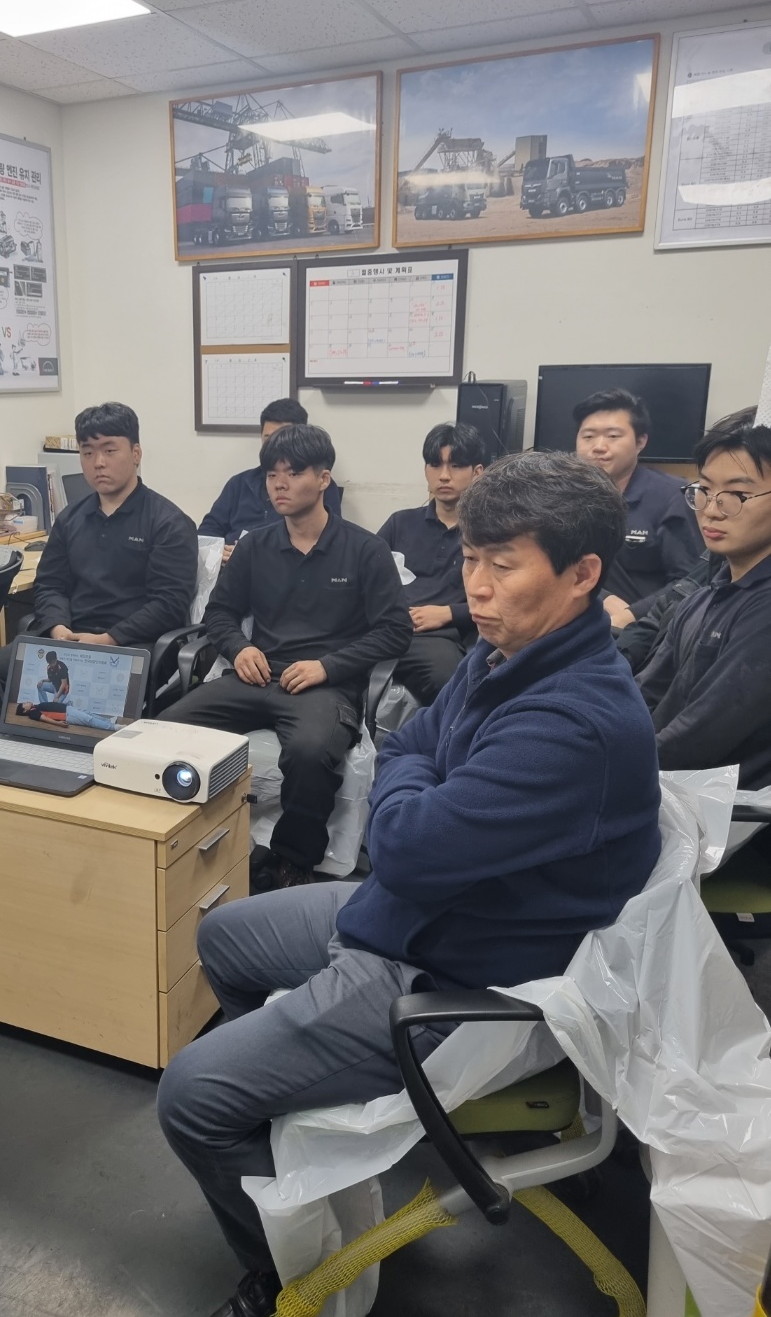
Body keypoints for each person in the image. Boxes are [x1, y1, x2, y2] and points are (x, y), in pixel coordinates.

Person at [157, 451, 662, 1317]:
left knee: (191, 1096)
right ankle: (290, 1124)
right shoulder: (508, 651)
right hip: (421, 910)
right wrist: (415, 784)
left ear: (582, 574)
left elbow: (401, 842)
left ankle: (291, 1278)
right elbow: (412, 741)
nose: (477, 586)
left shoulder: (575, 719)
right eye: (470, 559)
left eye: (503, 565)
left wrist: (412, 791)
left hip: (452, 969)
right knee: (222, 935)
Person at [161, 423, 411, 890]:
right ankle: (184, 842)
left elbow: (395, 632)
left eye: (294, 473)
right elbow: (219, 614)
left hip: (324, 686)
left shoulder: (365, 550)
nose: (279, 484)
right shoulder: (255, 545)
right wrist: (239, 648)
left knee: (310, 754)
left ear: (323, 479)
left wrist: (328, 666)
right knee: (165, 728)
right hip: (256, 675)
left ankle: (294, 862)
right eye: (272, 474)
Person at [0, 402, 197, 680]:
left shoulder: (168, 522)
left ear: (136, 453)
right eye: (88, 453)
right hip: (69, 638)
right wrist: (57, 627)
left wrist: (109, 638)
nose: (98, 462)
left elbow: (169, 604)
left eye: (109, 451)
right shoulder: (70, 518)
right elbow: (50, 584)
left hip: (133, 644)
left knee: (82, 687)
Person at [637, 407, 771, 787]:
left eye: (738, 495)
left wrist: (609, 764)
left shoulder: (764, 609)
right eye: (706, 490)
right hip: (666, 784)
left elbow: (702, 735)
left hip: (731, 810)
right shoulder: (705, 596)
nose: (711, 510)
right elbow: (645, 692)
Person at [573, 387, 702, 627]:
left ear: (640, 441)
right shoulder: (563, 495)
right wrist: (604, 598)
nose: (598, 446)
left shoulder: (670, 497)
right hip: (579, 618)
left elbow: (691, 581)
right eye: (588, 436)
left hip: (649, 628)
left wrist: (632, 615)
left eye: (613, 436)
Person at [377, 420, 485, 704]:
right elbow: (363, 576)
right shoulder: (400, 523)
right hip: (385, 629)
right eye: (435, 465)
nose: (444, 476)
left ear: (477, 473)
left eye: (456, 466)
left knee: (450, 684)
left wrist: (449, 613)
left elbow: (503, 599)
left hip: (438, 637)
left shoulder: (488, 534)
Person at [199, 398, 342, 561]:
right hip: (231, 564)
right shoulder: (239, 483)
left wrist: (252, 554)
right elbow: (208, 531)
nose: (275, 444)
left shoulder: (317, 485)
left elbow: (325, 539)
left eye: (282, 436)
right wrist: (217, 553)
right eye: (268, 438)